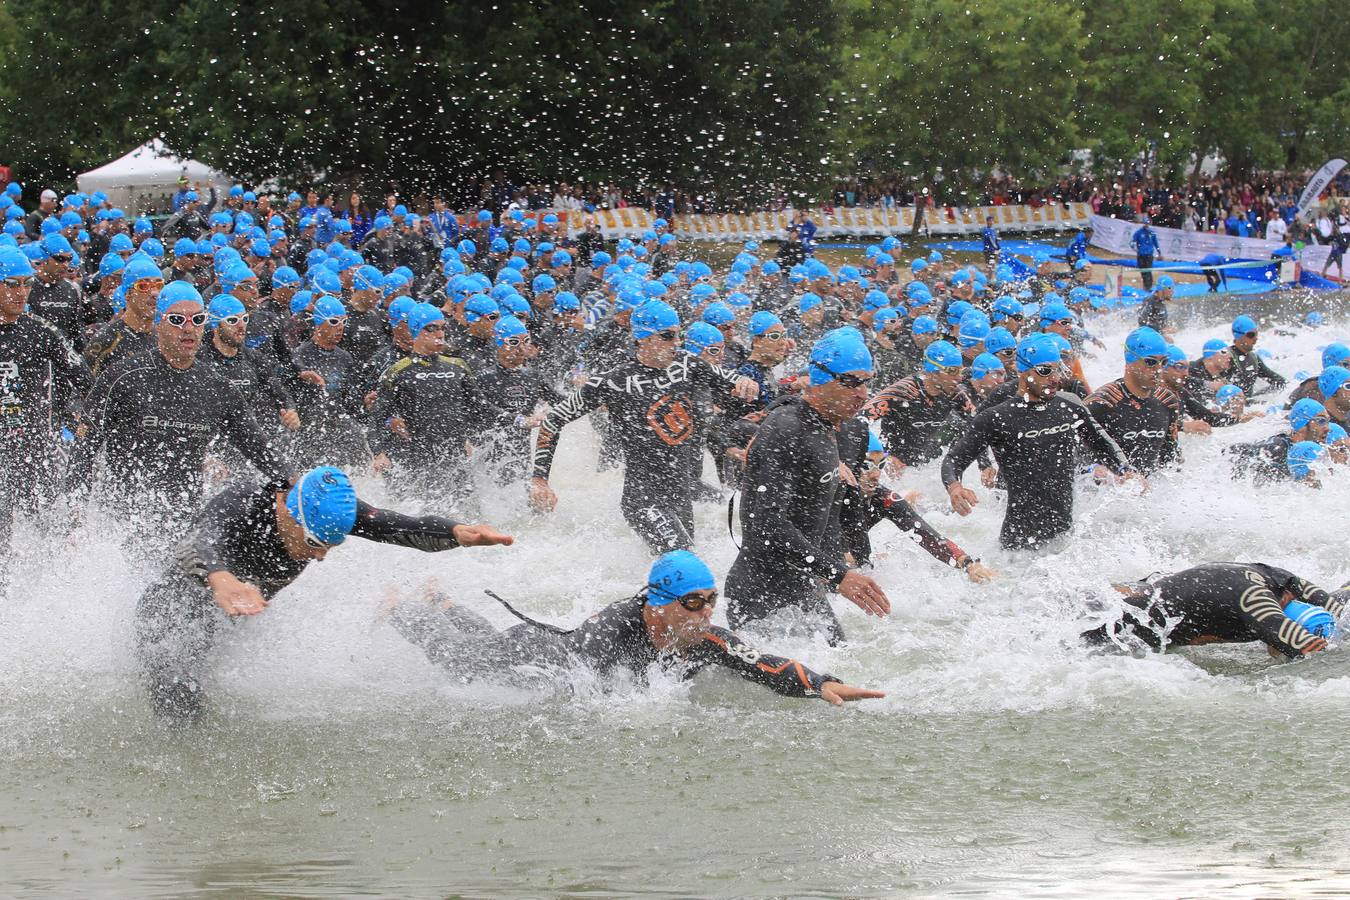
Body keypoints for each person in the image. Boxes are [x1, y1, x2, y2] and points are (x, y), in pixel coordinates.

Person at [135, 465, 514, 723]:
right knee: (180, 697)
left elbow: (399, 525)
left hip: (233, 612)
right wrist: (218, 577)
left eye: (332, 547)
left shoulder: (329, 509)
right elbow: (196, 542)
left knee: (208, 684)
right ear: (287, 511)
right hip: (169, 612)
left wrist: (456, 533)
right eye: (316, 543)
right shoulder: (242, 503)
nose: (319, 557)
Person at [388, 550, 885, 706]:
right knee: (464, 657)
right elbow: (583, 696)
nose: (707, 612)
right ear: (661, 604)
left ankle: (443, 600)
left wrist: (822, 684)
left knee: (484, 638)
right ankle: (400, 609)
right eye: (694, 602)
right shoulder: (609, 635)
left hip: (547, 644)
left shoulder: (703, 636)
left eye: (712, 601)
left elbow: (762, 664)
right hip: (535, 652)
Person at [530, 299, 758, 553]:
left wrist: (746, 382)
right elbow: (553, 420)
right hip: (643, 496)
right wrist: (540, 478)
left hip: (680, 491)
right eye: (668, 336)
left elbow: (730, 378)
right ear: (643, 338)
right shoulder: (614, 381)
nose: (677, 343)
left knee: (681, 564)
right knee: (681, 555)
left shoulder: (687, 364)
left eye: (678, 335)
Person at [66, 281, 291, 535]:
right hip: (123, 522)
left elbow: (258, 447)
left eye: (197, 319)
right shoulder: (123, 378)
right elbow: (84, 450)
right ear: (158, 324)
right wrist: (75, 514)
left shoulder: (217, 387)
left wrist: (293, 482)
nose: (188, 328)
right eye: (176, 319)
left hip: (183, 522)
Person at [725, 329, 891, 645]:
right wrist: (839, 575)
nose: (863, 393)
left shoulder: (829, 427)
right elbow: (766, 523)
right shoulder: (787, 427)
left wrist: (856, 557)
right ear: (820, 378)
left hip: (802, 587)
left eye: (867, 381)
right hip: (760, 594)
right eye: (851, 382)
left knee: (843, 667)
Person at [942, 334, 1136, 551]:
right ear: (1022, 371)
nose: (1054, 378)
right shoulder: (996, 418)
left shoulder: (1069, 405)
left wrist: (1125, 470)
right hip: (1018, 544)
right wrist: (955, 487)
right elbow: (954, 459)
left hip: (1063, 538)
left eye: (1057, 370)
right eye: (1045, 371)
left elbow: (1100, 441)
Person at [0, 246, 90, 591]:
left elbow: (83, 378)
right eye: (11, 283)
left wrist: (81, 415)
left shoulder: (41, 330)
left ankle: (47, 598)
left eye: (26, 283)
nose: (21, 292)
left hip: (35, 448)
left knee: (48, 532)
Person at [1082, 563, 1346, 659]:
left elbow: (1337, 606)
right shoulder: (1257, 600)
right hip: (1115, 618)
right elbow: (1306, 648)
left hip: (1146, 591)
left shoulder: (1284, 581)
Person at [368, 303, 486, 500]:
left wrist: (518, 420)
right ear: (416, 331)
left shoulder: (458, 366)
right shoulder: (397, 371)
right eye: (431, 328)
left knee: (470, 522)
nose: (439, 334)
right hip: (417, 459)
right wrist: (379, 453)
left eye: (442, 328)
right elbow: (377, 419)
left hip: (454, 458)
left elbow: (481, 409)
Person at [863, 339, 976, 469]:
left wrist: (984, 465)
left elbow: (979, 424)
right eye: (953, 371)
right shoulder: (905, 391)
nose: (959, 378)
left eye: (961, 371)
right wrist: (883, 456)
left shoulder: (953, 393)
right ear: (933, 371)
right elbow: (858, 421)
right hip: (891, 467)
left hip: (923, 468)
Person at [1084, 327, 1182, 474]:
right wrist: (1097, 470)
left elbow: (1171, 457)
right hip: (1111, 492)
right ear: (1130, 360)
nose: (1159, 369)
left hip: (1150, 491)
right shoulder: (1102, 402)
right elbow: (1070, 452)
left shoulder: (1168, 401)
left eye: (1164, 362)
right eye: (1151, 362)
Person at [1227, 398, 1330, 482]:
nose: (1327, 428)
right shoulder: (1277, 449)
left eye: (1328, 422)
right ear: (1302, 424)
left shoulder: (1315, 450)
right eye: (1321, 421)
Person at [1227, 315, 1286, 396]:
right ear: (1238, 336)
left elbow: (1280, 382)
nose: (1255, 338)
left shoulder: (1254, 358)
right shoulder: (1226, 358)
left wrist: (1256, 397)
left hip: (1247, 405)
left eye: (1256, 334)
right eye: (1251, 335)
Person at [1130, 218, 1161, 291]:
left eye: (1147, 224)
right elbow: (1132, 242)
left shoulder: (1152, 233)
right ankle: (1146, 285)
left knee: (1148, 270)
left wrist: (1159, 252)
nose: (1146, 225)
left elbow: (1156, 243)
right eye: (1145, 223)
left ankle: (1148, 286)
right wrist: (1136, 249)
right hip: (1141, 254)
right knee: (1142, 270)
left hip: (1149, 254)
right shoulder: (1138, 233)